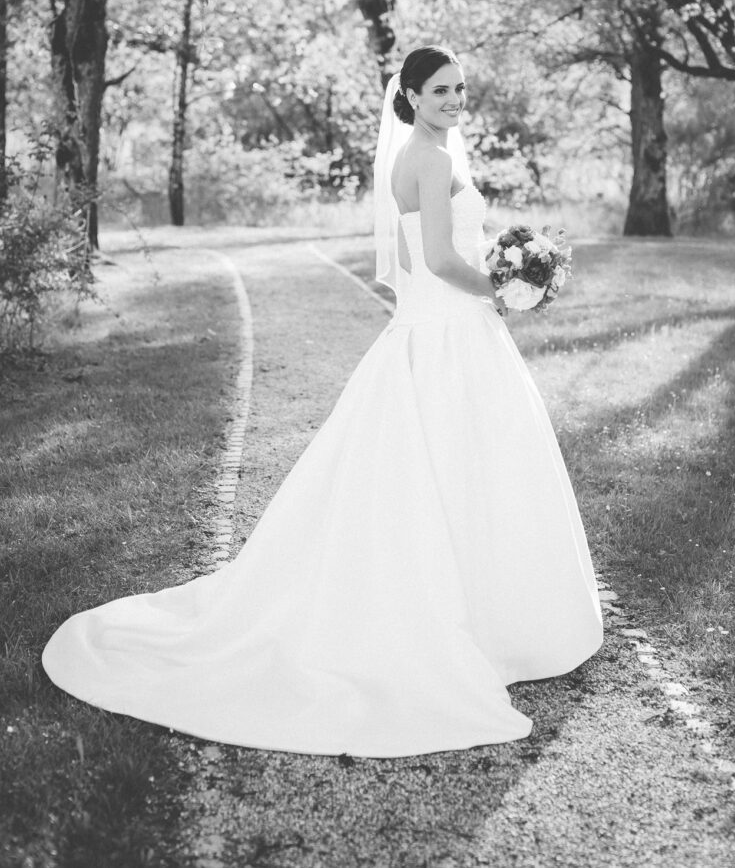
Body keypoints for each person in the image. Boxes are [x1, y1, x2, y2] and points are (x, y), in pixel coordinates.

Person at [43, 45, 603, 758]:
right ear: (411, 95)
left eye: (460, 89)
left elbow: (417, 259)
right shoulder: (430, 159)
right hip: (449, 334)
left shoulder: (420, 155)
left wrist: (500, 262)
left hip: (438, 330)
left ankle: (485, 616)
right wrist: (502, 288)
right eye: (440, 90)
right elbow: (436, 260)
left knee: (454, 472)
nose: (455, 100)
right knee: (466, 468)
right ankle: (492, 625)